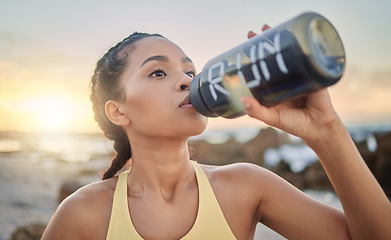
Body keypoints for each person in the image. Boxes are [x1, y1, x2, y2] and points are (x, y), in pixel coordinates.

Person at [42, 29, 391, 240]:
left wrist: (326, 130)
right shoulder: (82, 214)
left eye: (190, 70)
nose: (186, 80)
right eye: (158, 73)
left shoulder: (245, 187)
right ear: (118, 111)